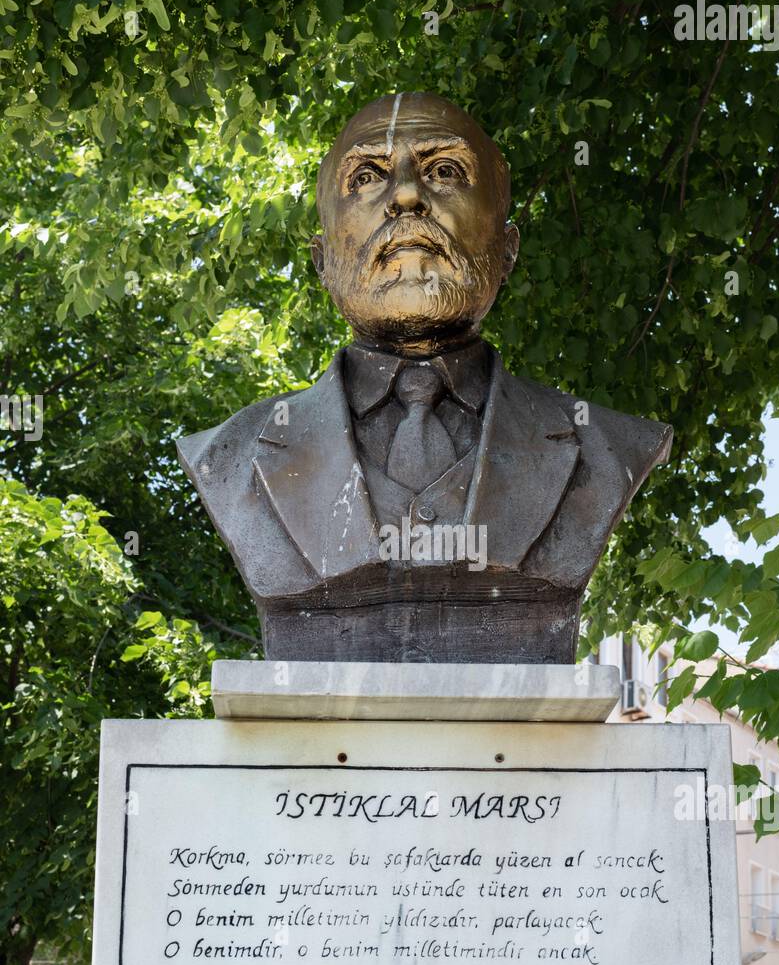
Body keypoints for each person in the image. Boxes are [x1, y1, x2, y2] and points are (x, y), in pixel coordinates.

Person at [178, 92, 671, 664]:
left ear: (507, 248)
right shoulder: (229, 456)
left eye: (444, 171)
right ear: (320, 260)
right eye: (366, 177)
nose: (408, 196)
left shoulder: (608, 446)